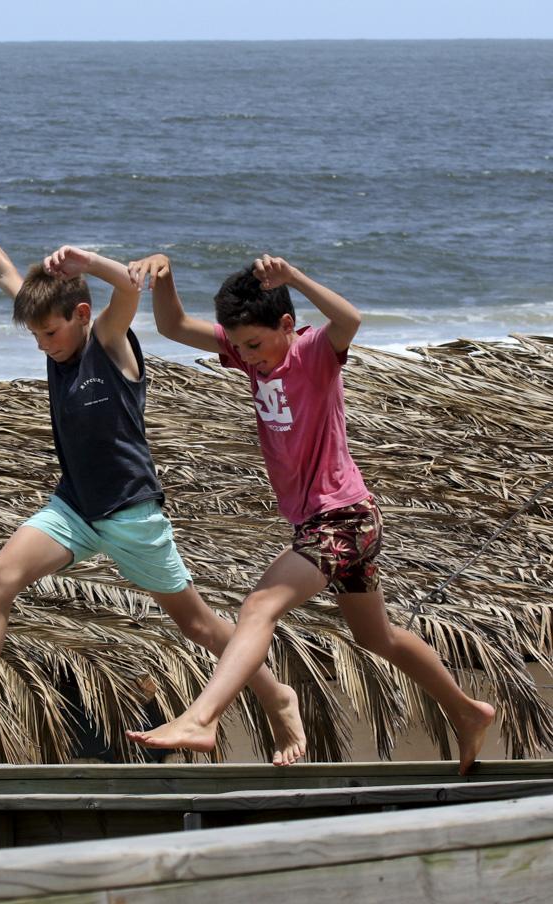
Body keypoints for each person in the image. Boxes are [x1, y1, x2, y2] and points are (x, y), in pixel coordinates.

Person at [0, 197, 307, 764]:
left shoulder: (109, 341)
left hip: (129, 511)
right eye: (36, 338)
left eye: (50, 333)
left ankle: (277, 695)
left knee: (196, 623)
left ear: (80, 313)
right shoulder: (56, 341)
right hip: (74, 506)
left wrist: (85, 259)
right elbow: (6, 273)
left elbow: (127, 287)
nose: (45, 346)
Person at [124, 252, 496, 774]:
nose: (248, 358)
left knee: (258, 608)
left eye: (255, 345)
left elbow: (350, 320)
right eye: (241, 348)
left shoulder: (315, 352)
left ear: (286, 326)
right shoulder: (249, 351)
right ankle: (468, 710)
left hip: (342, 518)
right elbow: (173, 325)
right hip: (336, 522)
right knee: (377, 636)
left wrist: (294, 276)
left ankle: (202, 718)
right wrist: (165, 273)